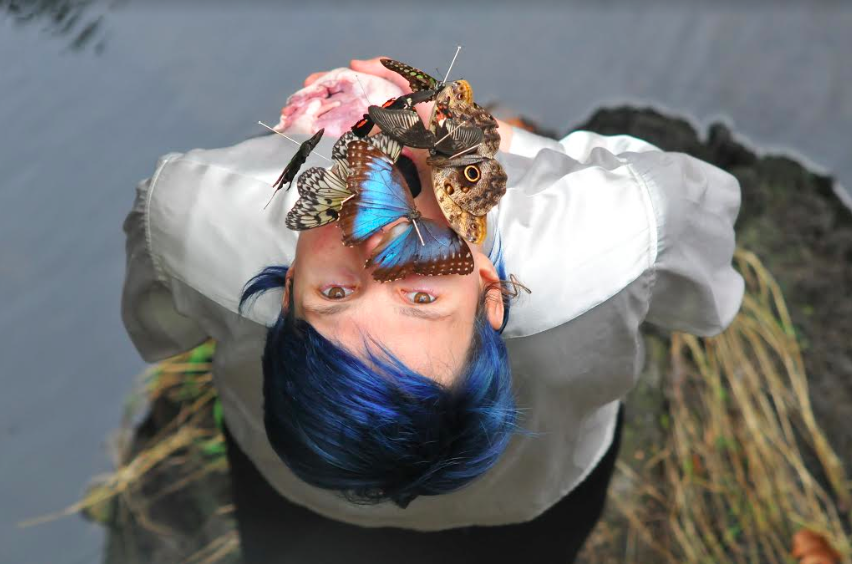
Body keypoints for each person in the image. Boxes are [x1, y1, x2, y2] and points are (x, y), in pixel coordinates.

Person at [121, 57, 744, 563]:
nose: (376, 249)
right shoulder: (608, 234)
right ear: (492, 291)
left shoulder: (194, 217)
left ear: (287, 293)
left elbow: (159, 329)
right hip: (538, 501)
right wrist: (482, 138)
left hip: (294, 499)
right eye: (421, 299)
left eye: (335, 295)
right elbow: (708, 283)